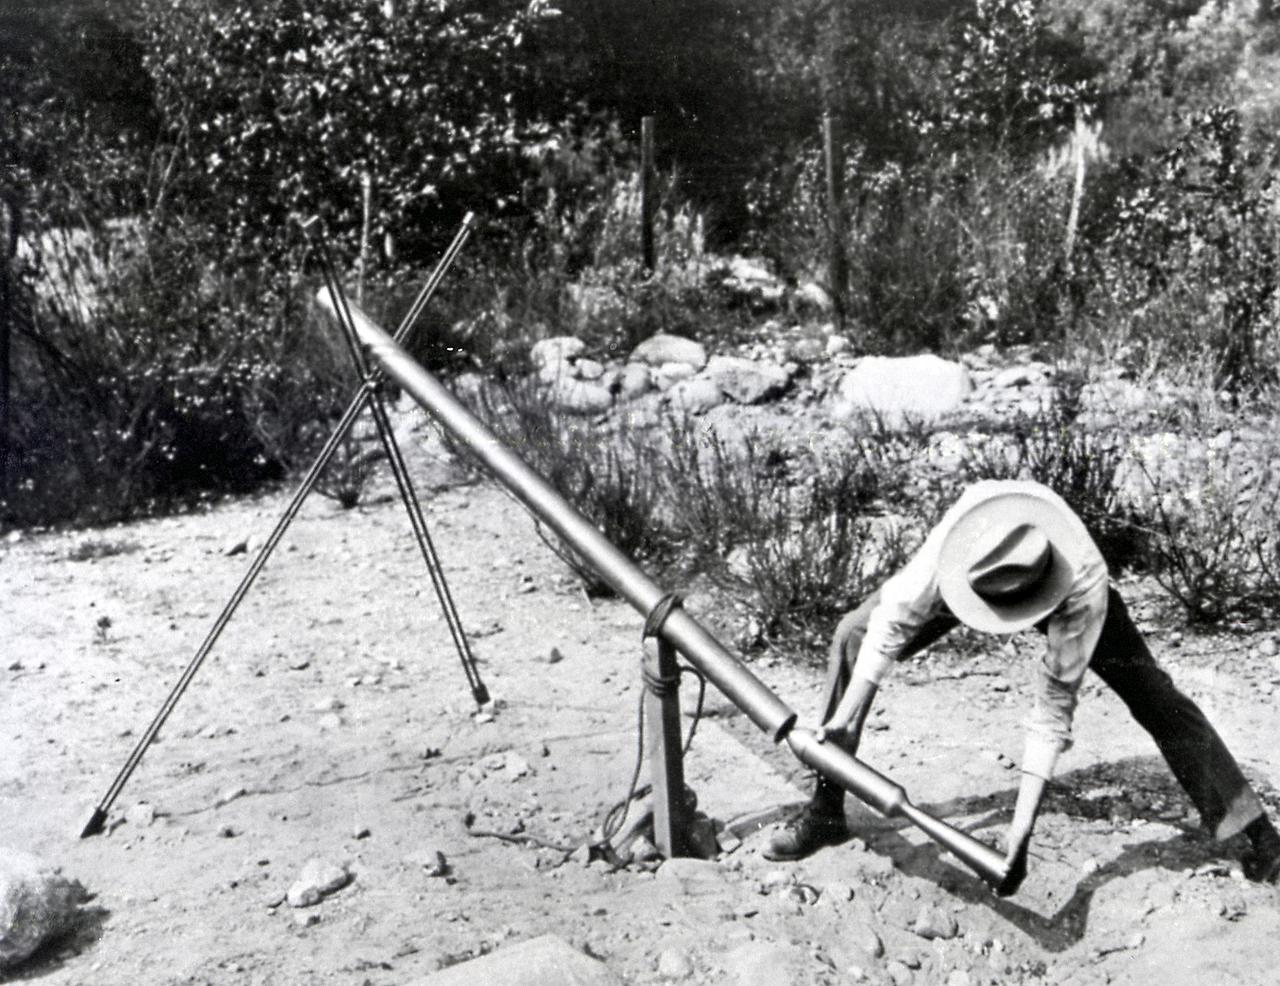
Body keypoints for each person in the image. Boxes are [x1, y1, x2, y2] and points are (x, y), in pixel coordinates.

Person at [764, 479, 1280, 887]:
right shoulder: (961, 540)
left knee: (1156, 698)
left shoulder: (1081, 587)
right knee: (854, 636)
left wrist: (1019, 833)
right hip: (981, 574)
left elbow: (1051, 715)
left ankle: (1259, 834)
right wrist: (843, 717)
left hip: (1063, 589)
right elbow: (890, 625)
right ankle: (827, 810)